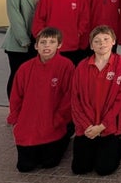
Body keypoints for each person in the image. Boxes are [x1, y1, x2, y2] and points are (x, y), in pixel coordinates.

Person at [7, 26, 74, 172]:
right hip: (28, 125)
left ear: (59, 45)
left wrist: (59, 119)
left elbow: (69, 96)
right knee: (25, 167)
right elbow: (16, 97)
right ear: (36, 46)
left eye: (51, 42)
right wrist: (16, 120)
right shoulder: (25, 68)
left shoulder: (66, 66)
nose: (47, 46)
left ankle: (65, 139)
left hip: (53, 123)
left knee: (49, 163)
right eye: (43, 42)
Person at [71, 25, 121, 176]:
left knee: (104, 169)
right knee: (80, 169)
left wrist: (102, 126)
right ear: (91, 45)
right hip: (87, 126)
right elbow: (75, 100)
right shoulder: (82, 67)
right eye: (96, 41)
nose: (102, 43)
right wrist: (87, 126)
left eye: (105, 39)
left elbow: (120, 99)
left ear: (113, 42)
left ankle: (119, 142)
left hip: (107, 126)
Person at [2, 0, 51, 98]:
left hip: (41, 42)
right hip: (20, 43)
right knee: (18, 77)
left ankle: (30, 111)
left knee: (36, 78)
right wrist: (24, 40)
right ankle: (15, 112)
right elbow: (14, 15)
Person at [31, 0, 90, 66]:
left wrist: (78, 33)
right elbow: (39, 20)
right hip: (51, 45)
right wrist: (43, 39)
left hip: (72, 44)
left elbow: (84, 18)